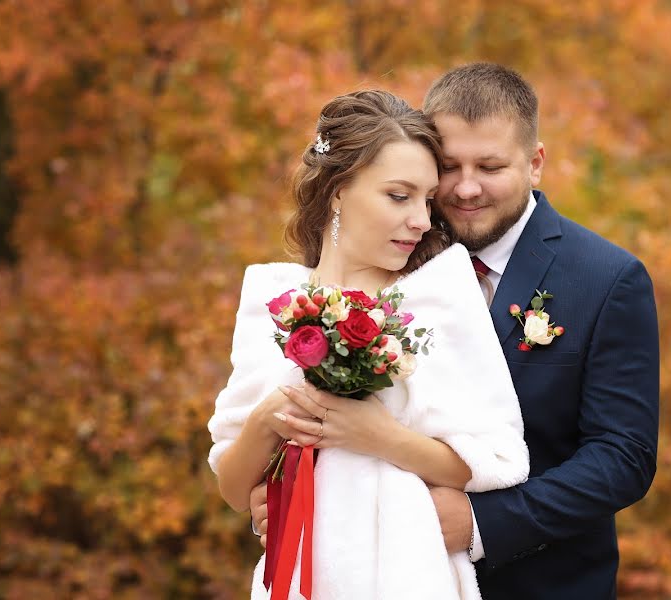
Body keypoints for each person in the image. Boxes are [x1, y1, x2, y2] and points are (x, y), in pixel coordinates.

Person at [251, 64, 660, 599]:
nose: (466, 188)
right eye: (450, 166)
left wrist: (481, 523)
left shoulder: (606, 279)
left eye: (490, 166)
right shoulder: (387, 253)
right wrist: (292, 487)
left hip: (542, 584)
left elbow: (622, 457)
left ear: (535, 163)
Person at [207, 89, 528, 600]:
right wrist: (270, 416)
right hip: (302, 572)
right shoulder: (272, 300)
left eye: (427, 199)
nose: (422, 219)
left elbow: (497, 460)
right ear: (338, 190)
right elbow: (233, 488)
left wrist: (376, 436)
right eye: (399, 196)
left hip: (408, 572)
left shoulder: (438, 295)